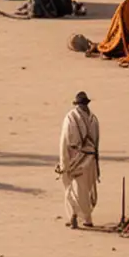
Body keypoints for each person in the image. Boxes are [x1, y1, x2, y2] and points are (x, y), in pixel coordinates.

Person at [57, 91, 100, 229]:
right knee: (86, 189)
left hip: (75, 158)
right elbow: (96, 142)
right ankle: (87, 218)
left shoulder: (70, 118)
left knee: (73, 188)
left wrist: (64, 162)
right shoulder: (94, 119)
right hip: (90, 159)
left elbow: (65, 141)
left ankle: (74, 215)